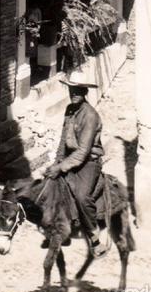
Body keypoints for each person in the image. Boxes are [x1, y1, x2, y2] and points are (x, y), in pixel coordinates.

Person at [45, 70, 106, 258]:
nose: (74, 94)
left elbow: (82, 153)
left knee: (81, 196)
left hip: (88, 162)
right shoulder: (69, 110)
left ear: (85, 92)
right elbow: (64, 140)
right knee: (50, 185)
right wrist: (56, 162)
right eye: (72, 90)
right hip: (71, 158)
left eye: (78, 90)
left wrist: (61, 167)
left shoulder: (90, 115)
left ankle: (94, 237)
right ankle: (61, 228)